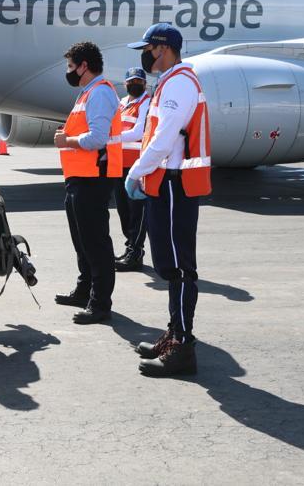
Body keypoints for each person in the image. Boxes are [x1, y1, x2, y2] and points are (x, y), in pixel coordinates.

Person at [125, 23, 212, 377]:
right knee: (169, 264)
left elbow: (162, 140)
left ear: (162, 49)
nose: (145, 56)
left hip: (175, 185)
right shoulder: (170, 82)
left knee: (178, 268)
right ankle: (175, 334)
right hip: (167, 183)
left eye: (148, 49)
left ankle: (183, 346)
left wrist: (135, 172)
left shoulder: (178, 83)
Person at [53, 42, 123, 325]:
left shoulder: (100, 93)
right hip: (80, 178)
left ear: (84, 66)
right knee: (82, 240)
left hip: (94, 178)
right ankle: (85, 290)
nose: (69, 72)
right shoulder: (88, 93)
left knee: (95, 243)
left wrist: (66, 140)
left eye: (71, 66)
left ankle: (100, 303)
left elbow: (97, 138)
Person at [114, 67, 152, 272]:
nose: (134, 85)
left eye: (138, 81)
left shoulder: (146, 102)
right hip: (119, 163)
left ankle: (136, 252)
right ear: (125, 83)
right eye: (131, 81)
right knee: (123, 210)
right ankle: (130, 247)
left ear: (145, 84)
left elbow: (138, 132)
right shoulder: (122, 103)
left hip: (136, 165)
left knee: (137, 210)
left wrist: (112, 138)